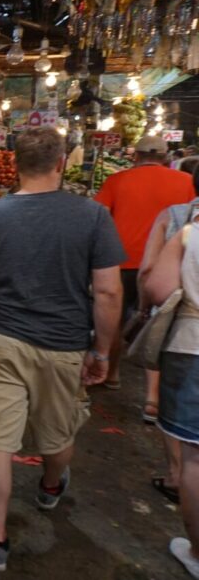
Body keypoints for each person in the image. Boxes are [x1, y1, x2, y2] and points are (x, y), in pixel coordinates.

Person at [0, 127, 125, 572]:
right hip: (64, 344)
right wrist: (103, 353)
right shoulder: (92, 216)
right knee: (58, 430)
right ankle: (51, 486)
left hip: (1, 340)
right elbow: (109, 293)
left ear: (15, 164)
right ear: (61, 163)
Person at [95, 135, 194, 388]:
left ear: (136, 156)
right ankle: (156, 390)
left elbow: (101, 218)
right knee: (163, 320)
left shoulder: (117, 180)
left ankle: (113, 373)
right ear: (164, 158)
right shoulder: (186, 181)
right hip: (168, 265)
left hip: (120, 260)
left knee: (115, 318)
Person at [138, 159, 199, 505]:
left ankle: (176, 476)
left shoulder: (182, 223)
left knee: (193, 451)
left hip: (190, 340)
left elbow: (155, 280)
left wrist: (146, 306)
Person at [145, 222, 199, 578]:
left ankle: (198, 552)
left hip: (193, 345)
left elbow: (158, 288)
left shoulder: (190, 235)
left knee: (195, 456)